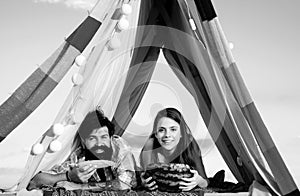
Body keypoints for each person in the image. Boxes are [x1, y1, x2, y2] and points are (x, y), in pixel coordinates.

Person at [27, 109, 137, 191]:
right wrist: (68, 176)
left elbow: (124, 185)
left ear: (111, 138)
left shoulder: (121, 150)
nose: (99, 144)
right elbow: (34, 182)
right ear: (83, 142)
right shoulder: (79, 157)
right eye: (92, 138)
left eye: (104, 137)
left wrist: (79, 186)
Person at [140, 107, 208, 191]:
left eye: (173, 129)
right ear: (156, 134)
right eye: (161, 130)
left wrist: (198, 180)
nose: (167, 135)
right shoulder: (150, 145)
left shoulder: (190, 144)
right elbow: (145, 175)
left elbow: (205, 182)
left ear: (181, 133)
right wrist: (143, 182)